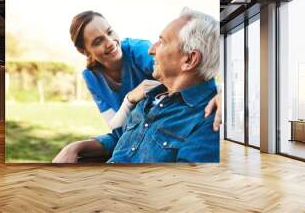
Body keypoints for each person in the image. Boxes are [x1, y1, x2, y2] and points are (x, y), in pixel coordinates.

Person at [53, 7, 220, 163]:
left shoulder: (206, 121)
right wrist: (74, 147)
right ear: (85, 51)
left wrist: (225, 95)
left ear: (189, 59)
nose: (151, 49)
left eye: (161, 42)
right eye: (97, 41)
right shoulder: (153, 97)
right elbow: (122, 135)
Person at [69, 11, 222, 131]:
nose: (110, 43)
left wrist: (222, 94)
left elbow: (188, 75)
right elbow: (114, 125)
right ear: (84, 51)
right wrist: (129, 100)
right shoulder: (91, 77)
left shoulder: (139, 50)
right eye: (97, 41)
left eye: (109, 32)